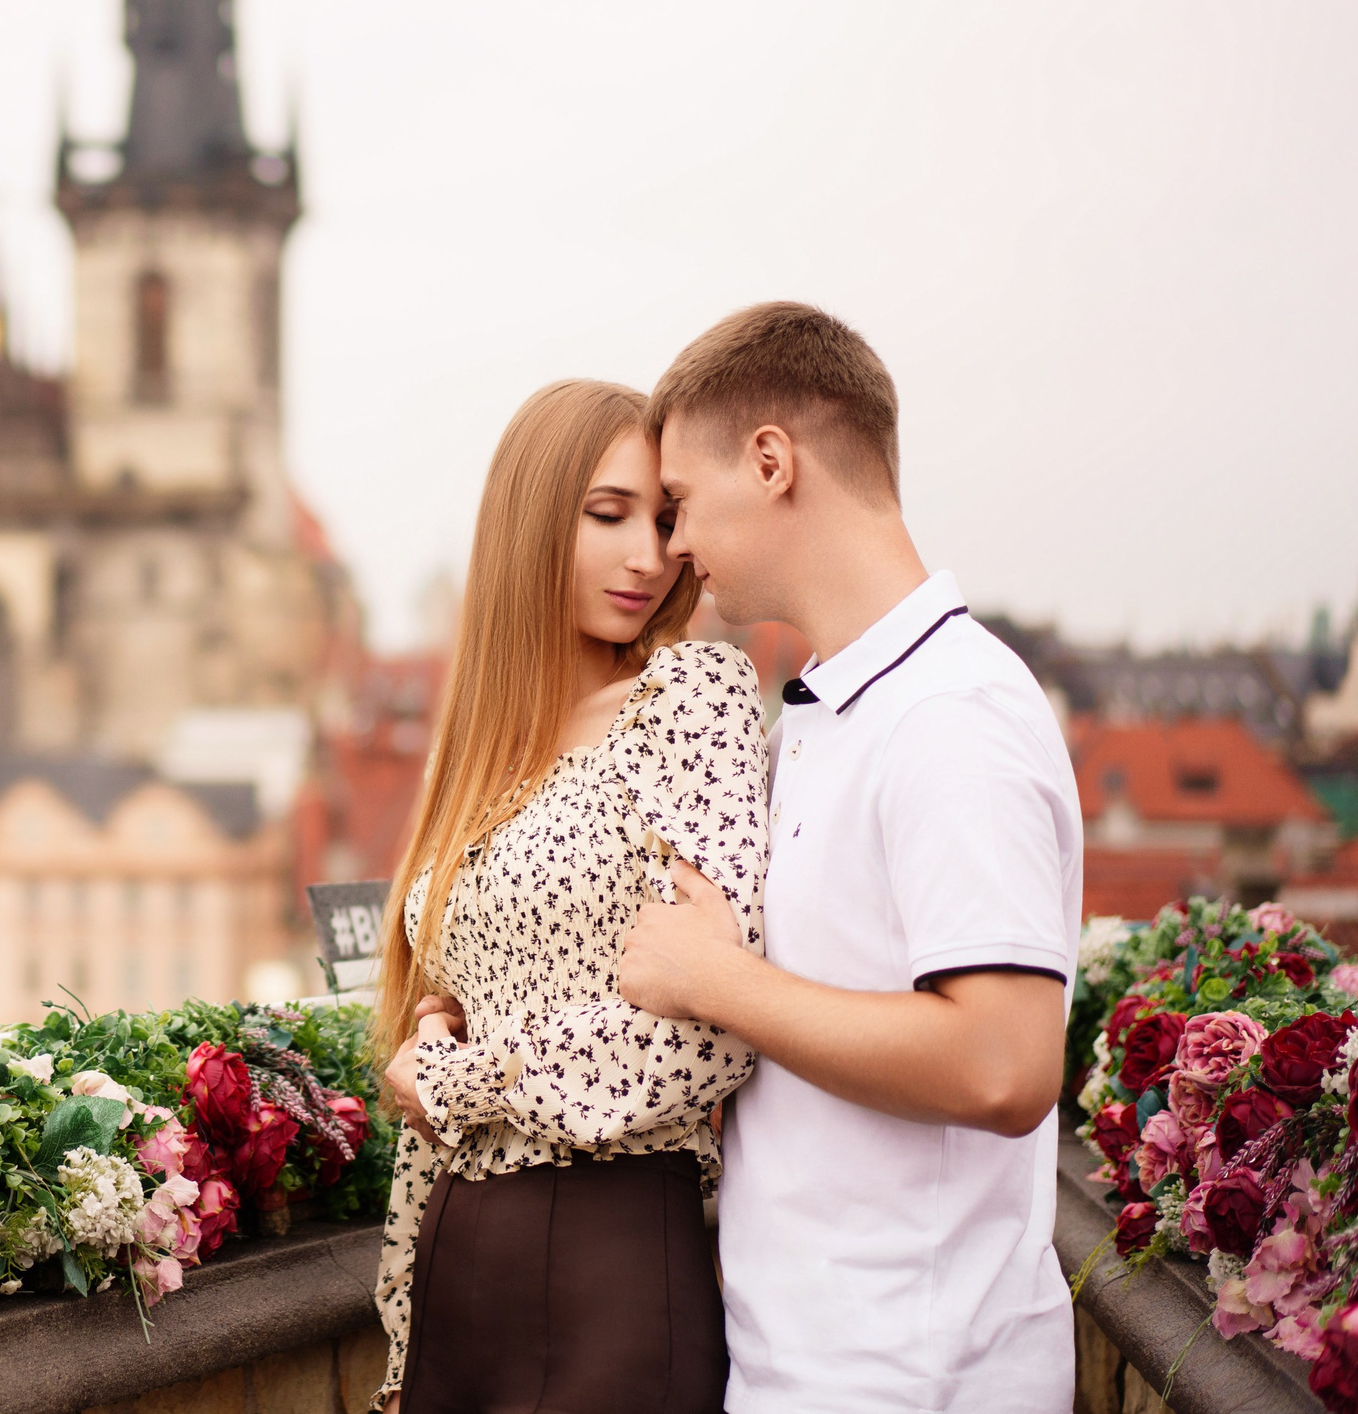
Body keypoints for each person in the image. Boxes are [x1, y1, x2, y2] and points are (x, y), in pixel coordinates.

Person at [618, 301, 1081, 1412]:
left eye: (679, 503)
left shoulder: (950, 713)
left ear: (770, 462)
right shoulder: (832, 710)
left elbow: (1002, 1066)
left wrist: (719, 983)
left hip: (915, 1378)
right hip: (815, 1366)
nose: (671, 546)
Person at [370, 378, 772, 1414]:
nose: (649, 555)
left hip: (614, 1253)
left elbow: (709, 1032)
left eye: (664, 520)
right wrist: (428, 1011)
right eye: (608, 516)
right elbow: (457, 956)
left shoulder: (688, 699)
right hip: (454, 1255)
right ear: (529, 520)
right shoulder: (479, 748)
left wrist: (458, 1079)